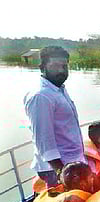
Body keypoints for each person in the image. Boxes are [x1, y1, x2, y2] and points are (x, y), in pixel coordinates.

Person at [24, 46, 86, 189]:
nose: (61, 71)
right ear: (42, 67)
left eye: (64, 66)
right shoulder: (41, 96)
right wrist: (61, 172)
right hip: (57, 168)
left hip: (71, 163)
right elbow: (44, 139)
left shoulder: (58, 90)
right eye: (55, 66)